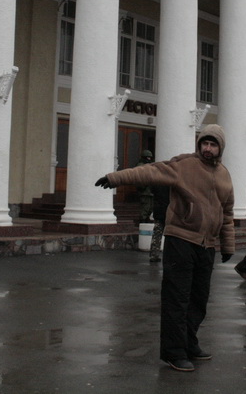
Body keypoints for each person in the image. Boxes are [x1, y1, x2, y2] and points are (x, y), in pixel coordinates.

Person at [95, 124, 235, 372]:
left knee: (198, 300)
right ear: (199, 144)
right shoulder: (183, 165)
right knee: (176, 299)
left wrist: (227, 244)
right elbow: (150, 172)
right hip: (181, 240)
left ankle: (190, 344)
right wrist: (115, 178)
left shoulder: (224, 174)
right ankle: (174, 352)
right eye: (205, 143)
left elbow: (227, 212)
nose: (208, 148)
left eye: (213, 145)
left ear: (220, 148)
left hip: (206, 246)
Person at [149, 184, 170, 263]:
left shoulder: (157, 182)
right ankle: (168, 256)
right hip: (168, 211)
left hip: (158, 211)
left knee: (157, 234)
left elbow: (152, 192)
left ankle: (154, 254)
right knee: (170, 235)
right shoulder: (169, 183)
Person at [137, 149, 154, 223]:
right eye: (147, 157)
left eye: (150, 157)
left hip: (150, 190)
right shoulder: (140, 166)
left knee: (150, 207)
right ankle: (143, 219)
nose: (149, 159)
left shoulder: (149, 165)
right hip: (144, 190)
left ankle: (146, 218)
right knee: (145, 207)